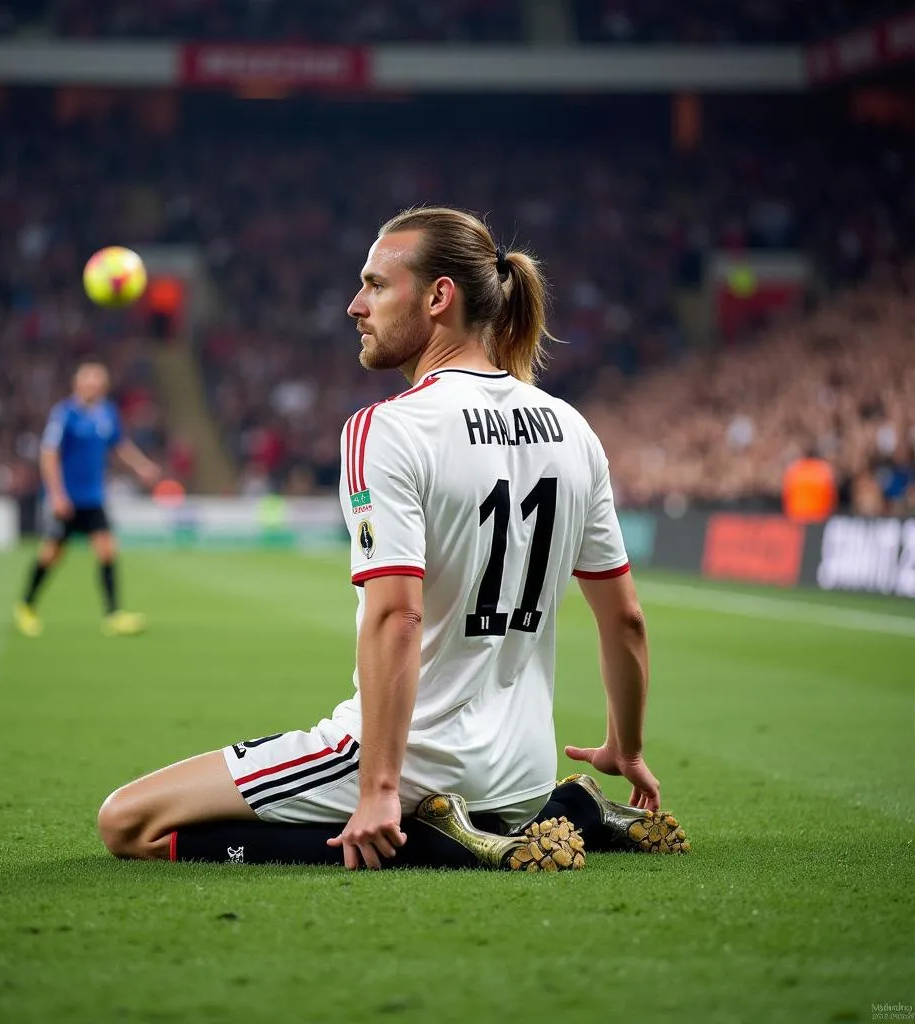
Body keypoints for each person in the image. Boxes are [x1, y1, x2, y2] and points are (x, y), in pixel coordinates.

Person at [97, 207, 689, 871]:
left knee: (127, 823)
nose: (355, 305)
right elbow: (626, 621)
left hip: (409, 763)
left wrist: (379, 788)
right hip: (522, 774)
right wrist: (626, 749)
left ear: (440, 297)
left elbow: (397, 616)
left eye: (377, 285)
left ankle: (432, 834)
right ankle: (563, 810)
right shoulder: (572, 429)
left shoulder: (388, 429)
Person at [13, 361, 161, 638]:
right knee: (51, 554)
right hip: (67, 499)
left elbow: (120, 444)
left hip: (94, 497)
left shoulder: (107, 412)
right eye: (88, 380)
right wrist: (57, 495)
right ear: (77, 383)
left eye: (98, 380)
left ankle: (113, 615)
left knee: (107, 551)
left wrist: (142, 466)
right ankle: (26, 606)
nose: (94, 385)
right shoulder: (64, 414)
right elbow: (48, 454)